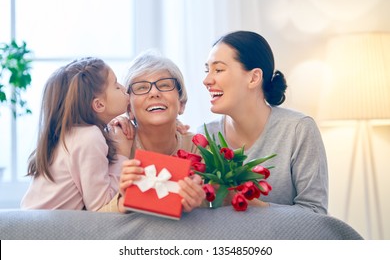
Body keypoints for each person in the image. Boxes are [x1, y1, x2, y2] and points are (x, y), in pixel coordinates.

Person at [201, 30, 328, 214]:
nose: (206, 80)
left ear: (253, 78)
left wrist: (257, 208)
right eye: (207, 70)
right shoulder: (205, 136)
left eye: (218, 69)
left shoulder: (298, 130)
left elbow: (316, 213)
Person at [99, 50, 205, 213]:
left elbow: (217, 205)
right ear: (129, 109)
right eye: (141, 87)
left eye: (164, 85)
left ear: (181, 104)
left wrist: (201, 201)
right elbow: (93, 221)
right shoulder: (114, 145)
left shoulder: (199, 147)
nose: (154, 93)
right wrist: (123, 202)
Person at [21, 57, 132, 211]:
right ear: (99, 104)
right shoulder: (90, 137)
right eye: (116, 86)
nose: (124, 88)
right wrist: (122, 155)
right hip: (45, 231)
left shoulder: (71, 134)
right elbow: (100, 206)